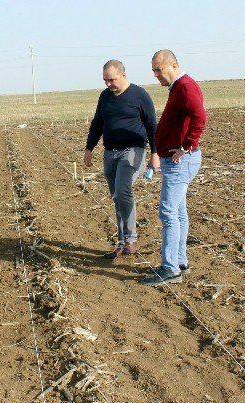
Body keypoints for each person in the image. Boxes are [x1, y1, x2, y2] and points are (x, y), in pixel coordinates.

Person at [139, 50, 206, 286]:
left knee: (167, 212)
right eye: (154, 70)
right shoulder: (179, 87)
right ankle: (180, 261)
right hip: (175, 160)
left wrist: (186, 146)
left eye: (159, 69)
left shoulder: (185, 86)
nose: (156, 74)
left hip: (180, 161)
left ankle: (170, 269)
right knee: (178, 212)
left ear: (174, 65)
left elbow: (200, 117)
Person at [84, 59, 159, 259]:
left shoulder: (139, 95)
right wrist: (89, 148)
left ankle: (131, 239)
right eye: (105, 80)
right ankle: (122, 242)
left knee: (123, 190)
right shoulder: (105, 96)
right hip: (110, 153)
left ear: (123, 75)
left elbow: (152, 125)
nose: (108, 84)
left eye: (111, 79)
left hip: (134, 150)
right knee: (117, 196)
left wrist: (155, 153)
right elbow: (97, 123)